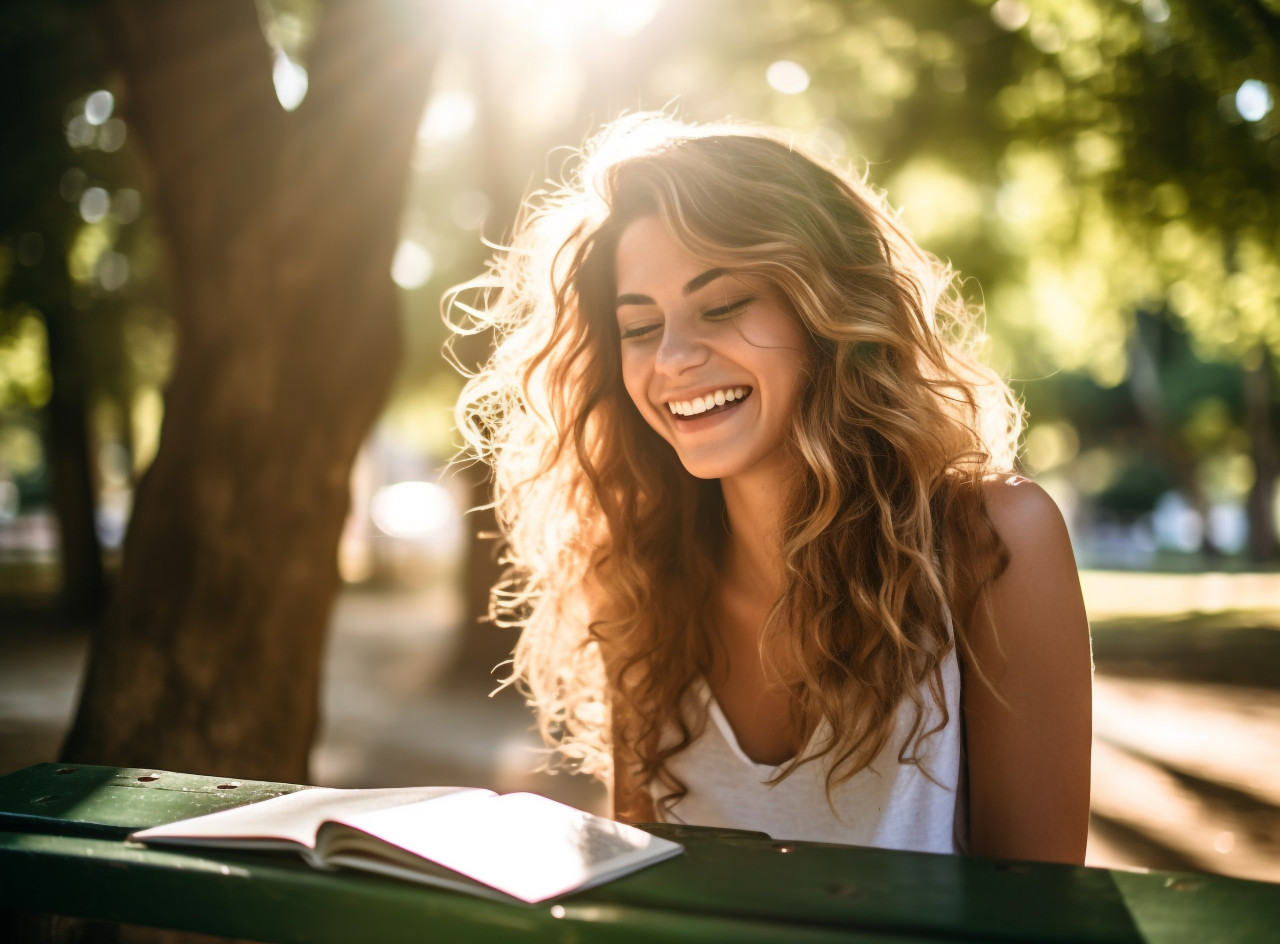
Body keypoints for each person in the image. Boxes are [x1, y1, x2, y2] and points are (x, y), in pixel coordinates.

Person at [447, 114, 1092, 865]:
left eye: (721, 307)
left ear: (826, 311)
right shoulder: (640, 579)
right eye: (640, 326)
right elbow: (649, 894)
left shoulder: (994, 542)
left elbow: (1041, 916)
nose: (675, 358)